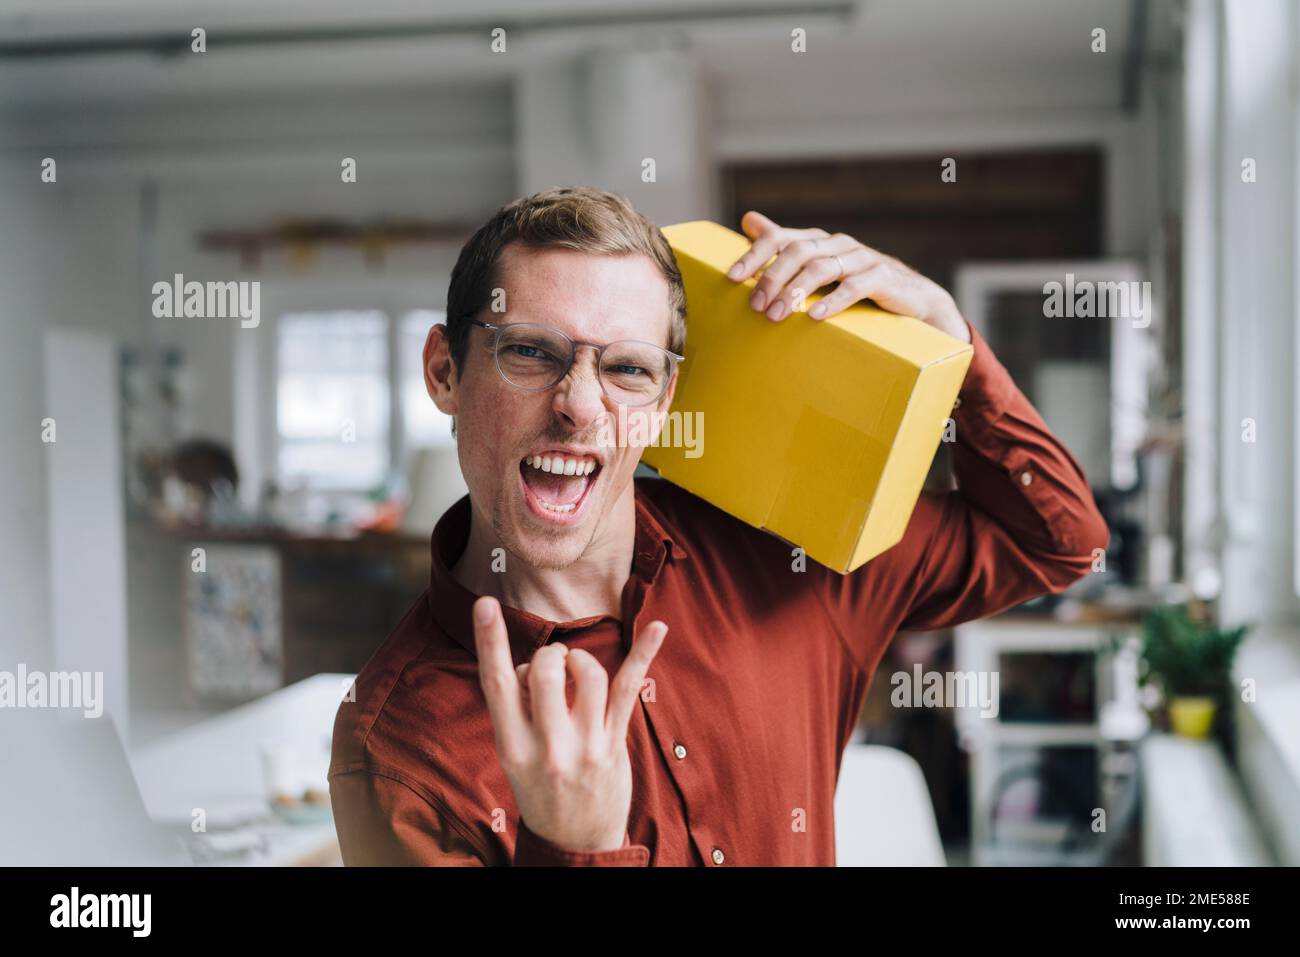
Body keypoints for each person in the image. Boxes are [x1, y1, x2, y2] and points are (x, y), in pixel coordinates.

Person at [328, 186, 1108, 865]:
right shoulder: (395, 749)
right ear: (444, 372)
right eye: (530, 353)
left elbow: (1060, 540)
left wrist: (948, 337)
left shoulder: (795, 558)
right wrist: (575, 848)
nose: (579, 404)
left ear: (664, 401)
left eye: (628, 368)